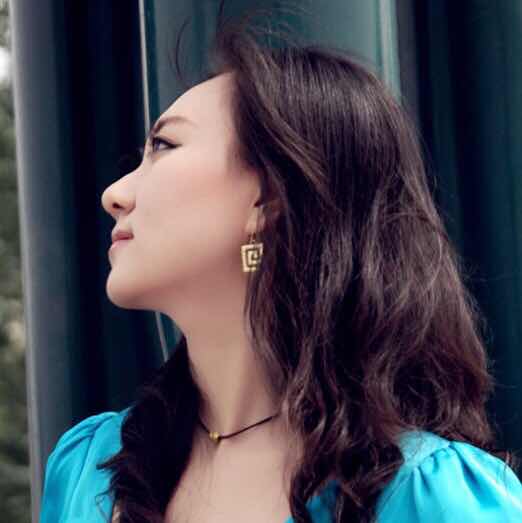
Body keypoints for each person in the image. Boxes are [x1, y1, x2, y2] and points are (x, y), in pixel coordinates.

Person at [39, 3, 522, 522]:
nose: (114, 194)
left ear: (268, 200)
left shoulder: (427, 495)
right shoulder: (88, 468)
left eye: (163, 145)